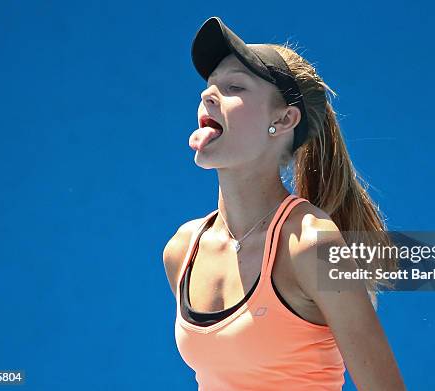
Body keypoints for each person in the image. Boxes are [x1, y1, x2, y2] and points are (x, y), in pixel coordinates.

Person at [163, 16, 405, 390]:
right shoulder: (182, 250)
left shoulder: (313, 244)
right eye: (210, 86)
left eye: (233, 87)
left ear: (284, 118)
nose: (208, 95)